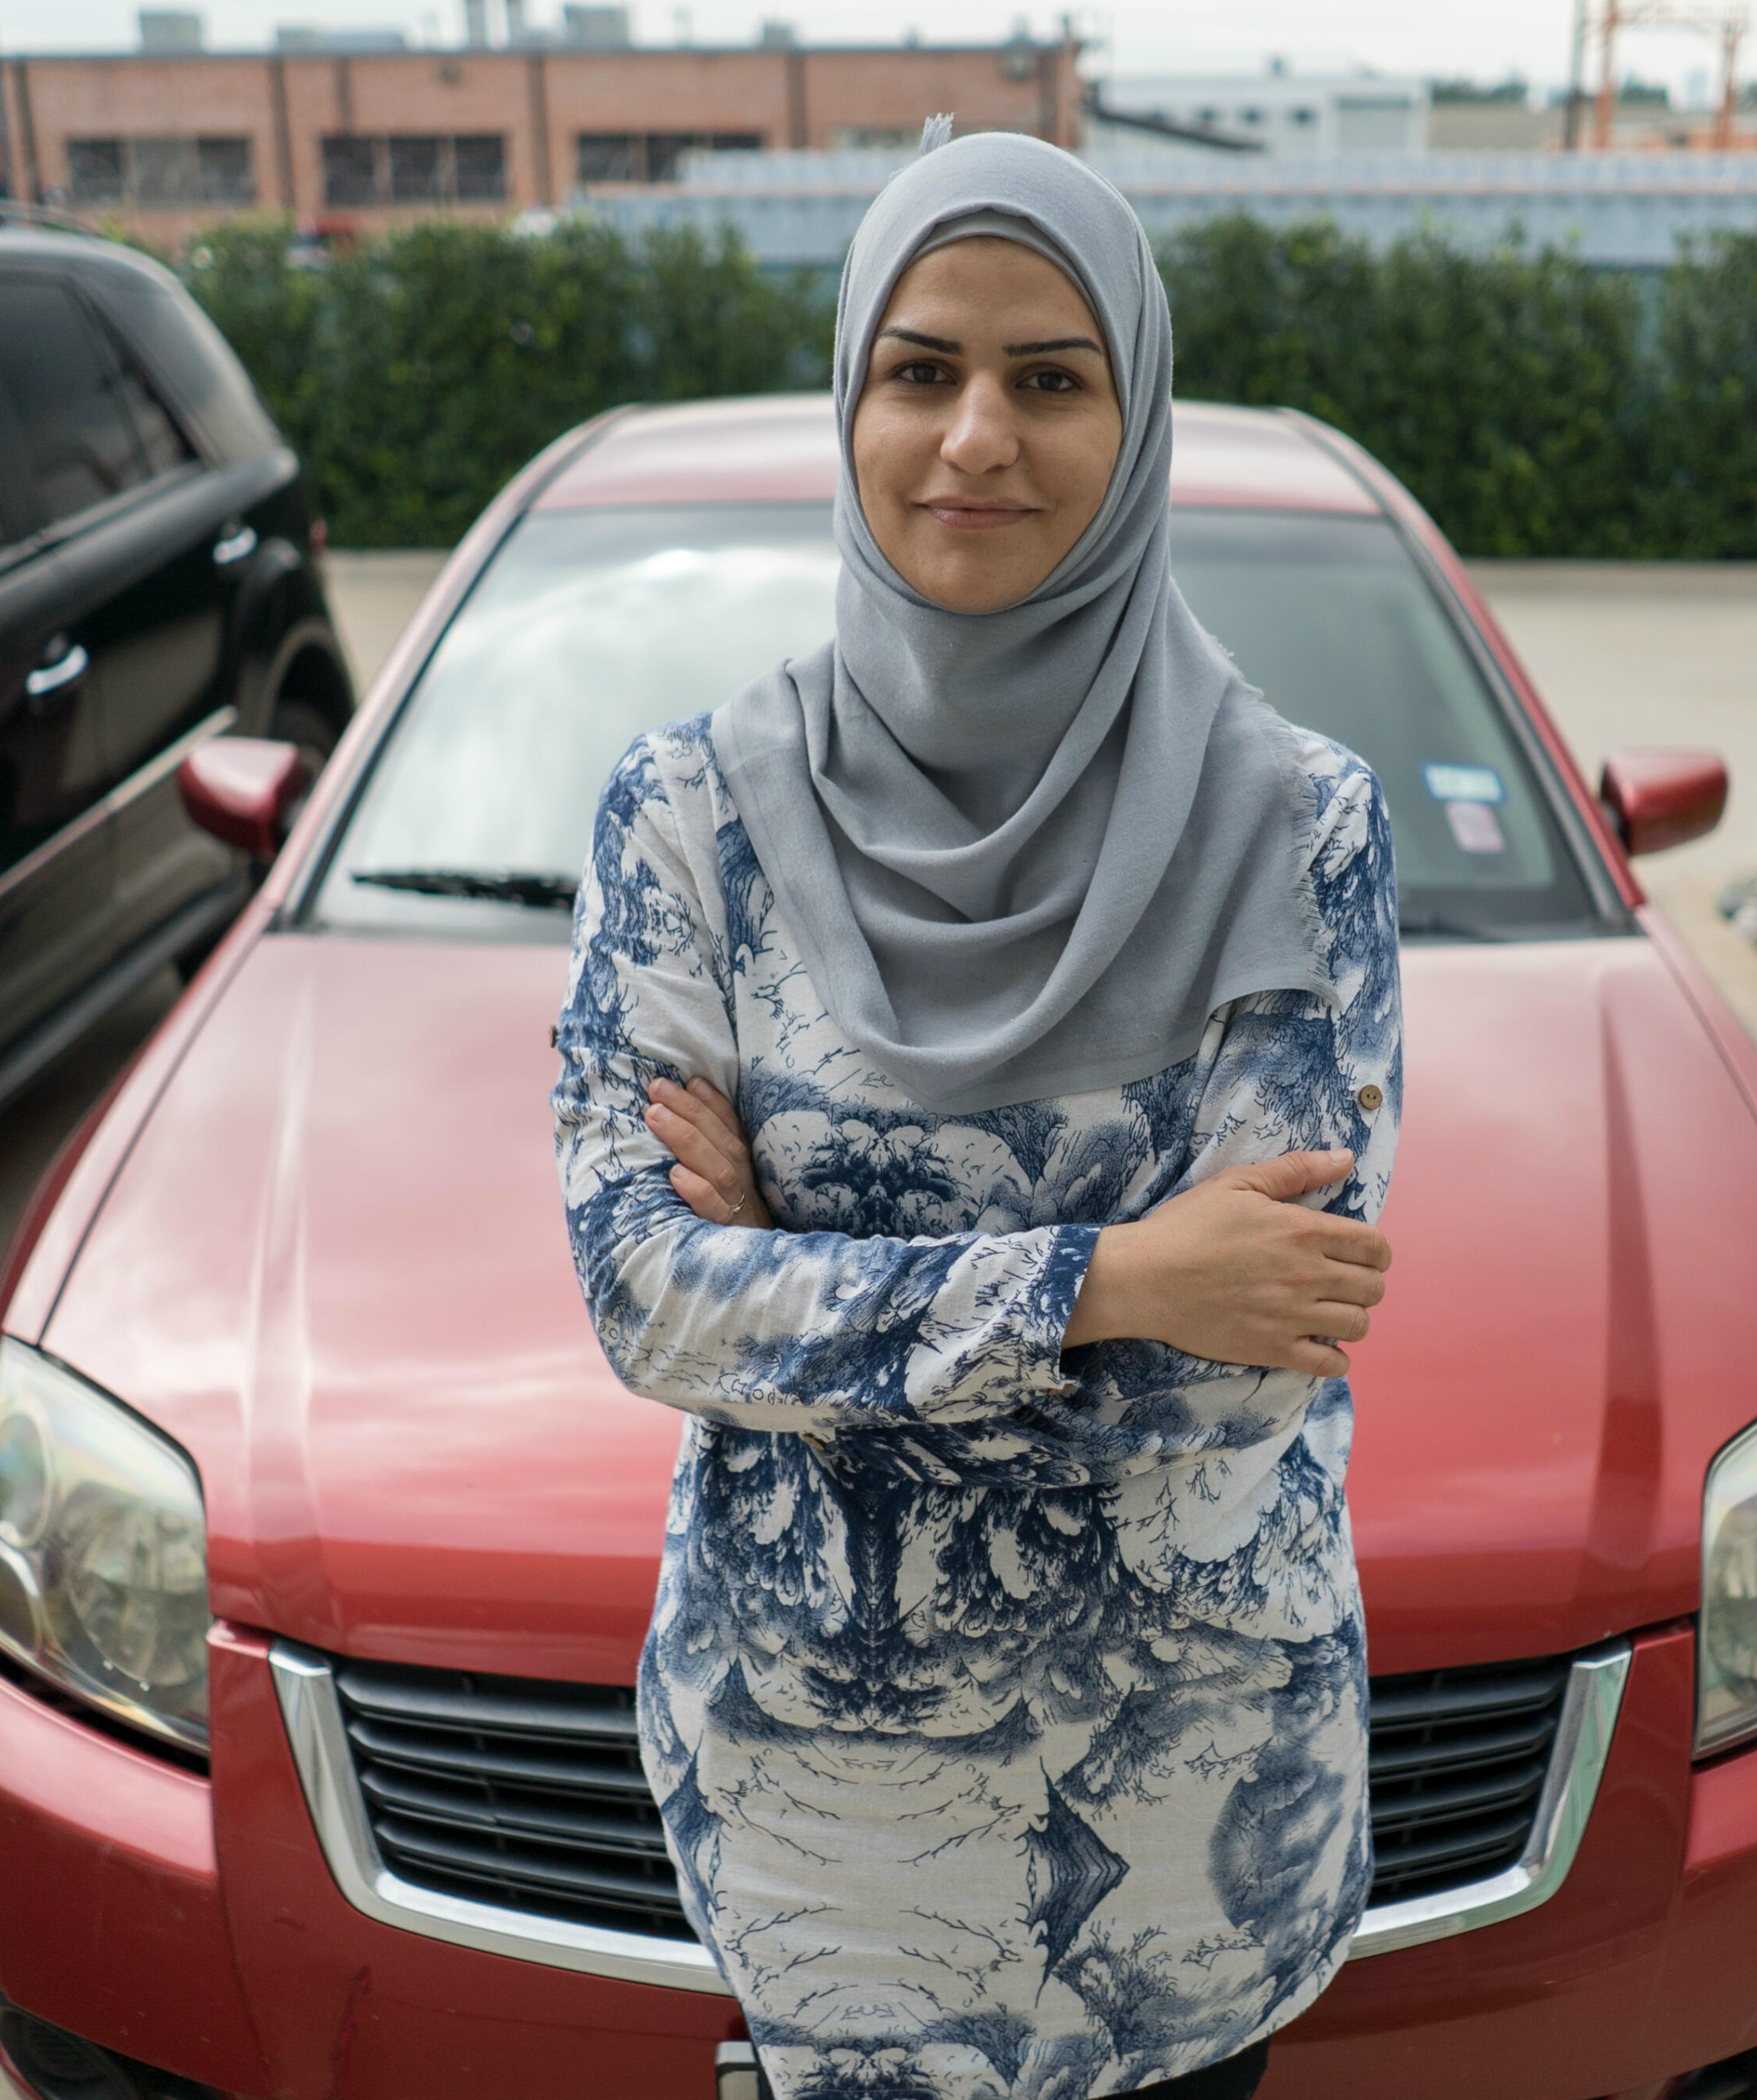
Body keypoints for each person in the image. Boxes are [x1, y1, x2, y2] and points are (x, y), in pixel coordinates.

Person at [552, 127, 1402, 2100]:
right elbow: (646, 1301)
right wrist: (1118, 1269)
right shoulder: (689, 813)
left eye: (1048, 378)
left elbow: (1247, 1371)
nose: (972, 439)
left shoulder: (1299, 824)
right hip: (830, 1862)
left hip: (1192, 1849)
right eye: (917, 369)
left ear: (1138, 416)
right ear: (848, 398)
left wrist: (803, 1263)